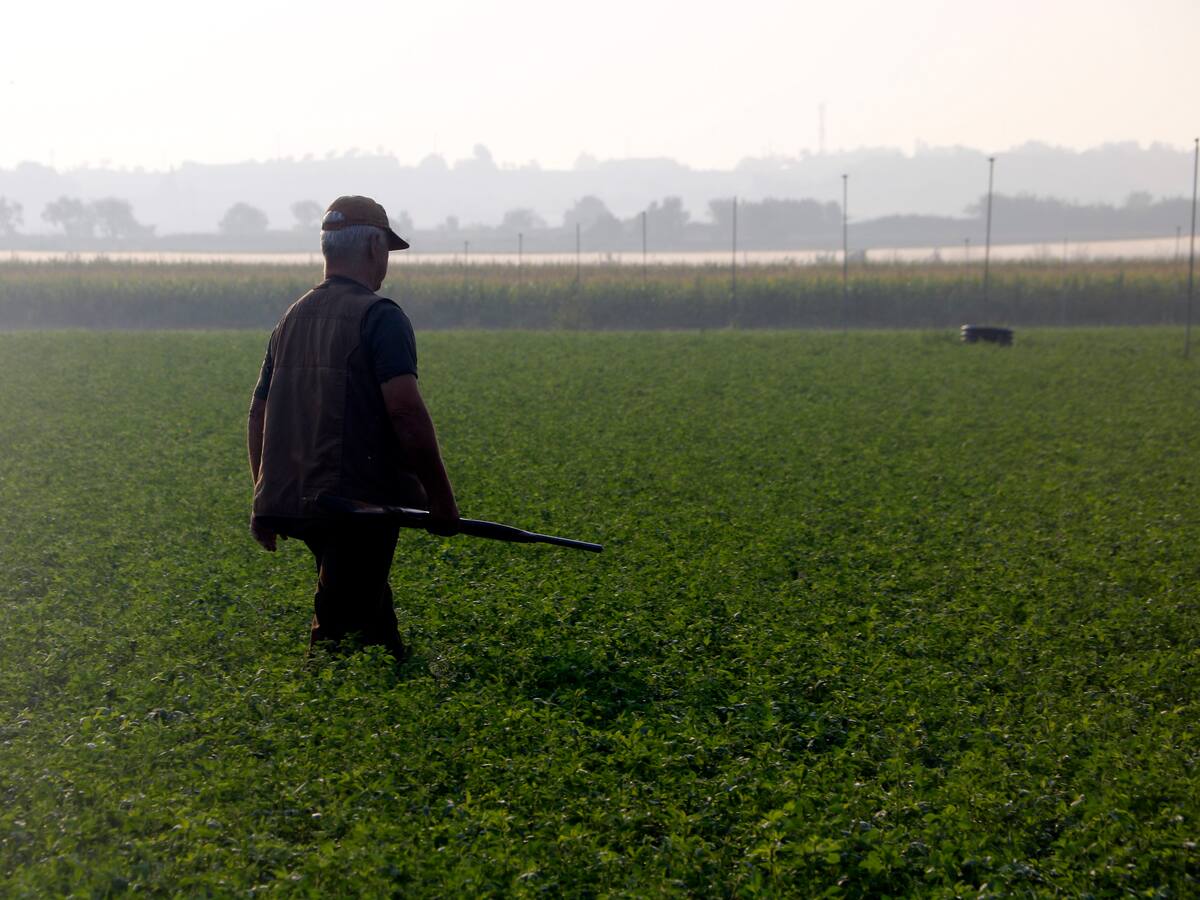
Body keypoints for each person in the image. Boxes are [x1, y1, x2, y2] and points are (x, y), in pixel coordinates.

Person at [246, 195, 459, 661]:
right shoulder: (379, 317)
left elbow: (258, 412)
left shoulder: (291, 318)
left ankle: (394, 672)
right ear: (372, 250)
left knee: (370, 618)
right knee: (340, 633)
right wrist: (441, 498)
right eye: (386, 249)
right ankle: (316, 719)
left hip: (302, 500)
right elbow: (405, 412)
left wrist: (264, 495)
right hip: (357, 506)